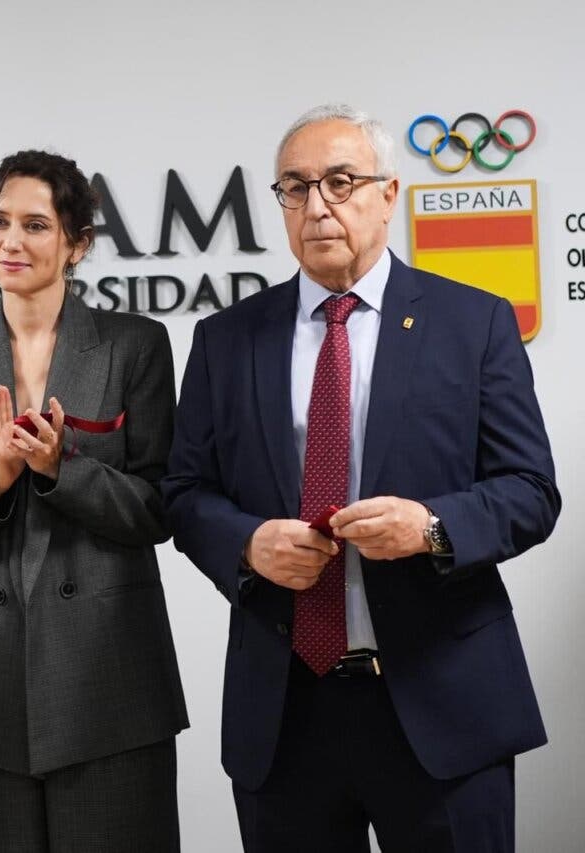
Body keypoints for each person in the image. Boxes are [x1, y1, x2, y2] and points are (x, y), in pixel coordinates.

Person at [163, 104, 560, 853]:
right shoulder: (226, 339)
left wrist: (433, 528)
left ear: (389, 194)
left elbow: (532, 489)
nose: (318, 205)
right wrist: (248, 544)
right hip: (287, 711)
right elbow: (183, 492)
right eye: (295, 187)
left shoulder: (472, 322)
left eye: (340, 181)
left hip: (442, 699)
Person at [0, 150, 187, 852]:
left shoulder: (136, 345)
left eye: (35, 224)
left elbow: (160, 507)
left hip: (110, 682)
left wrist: (63, 469)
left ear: (77, 244)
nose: (11, 241)